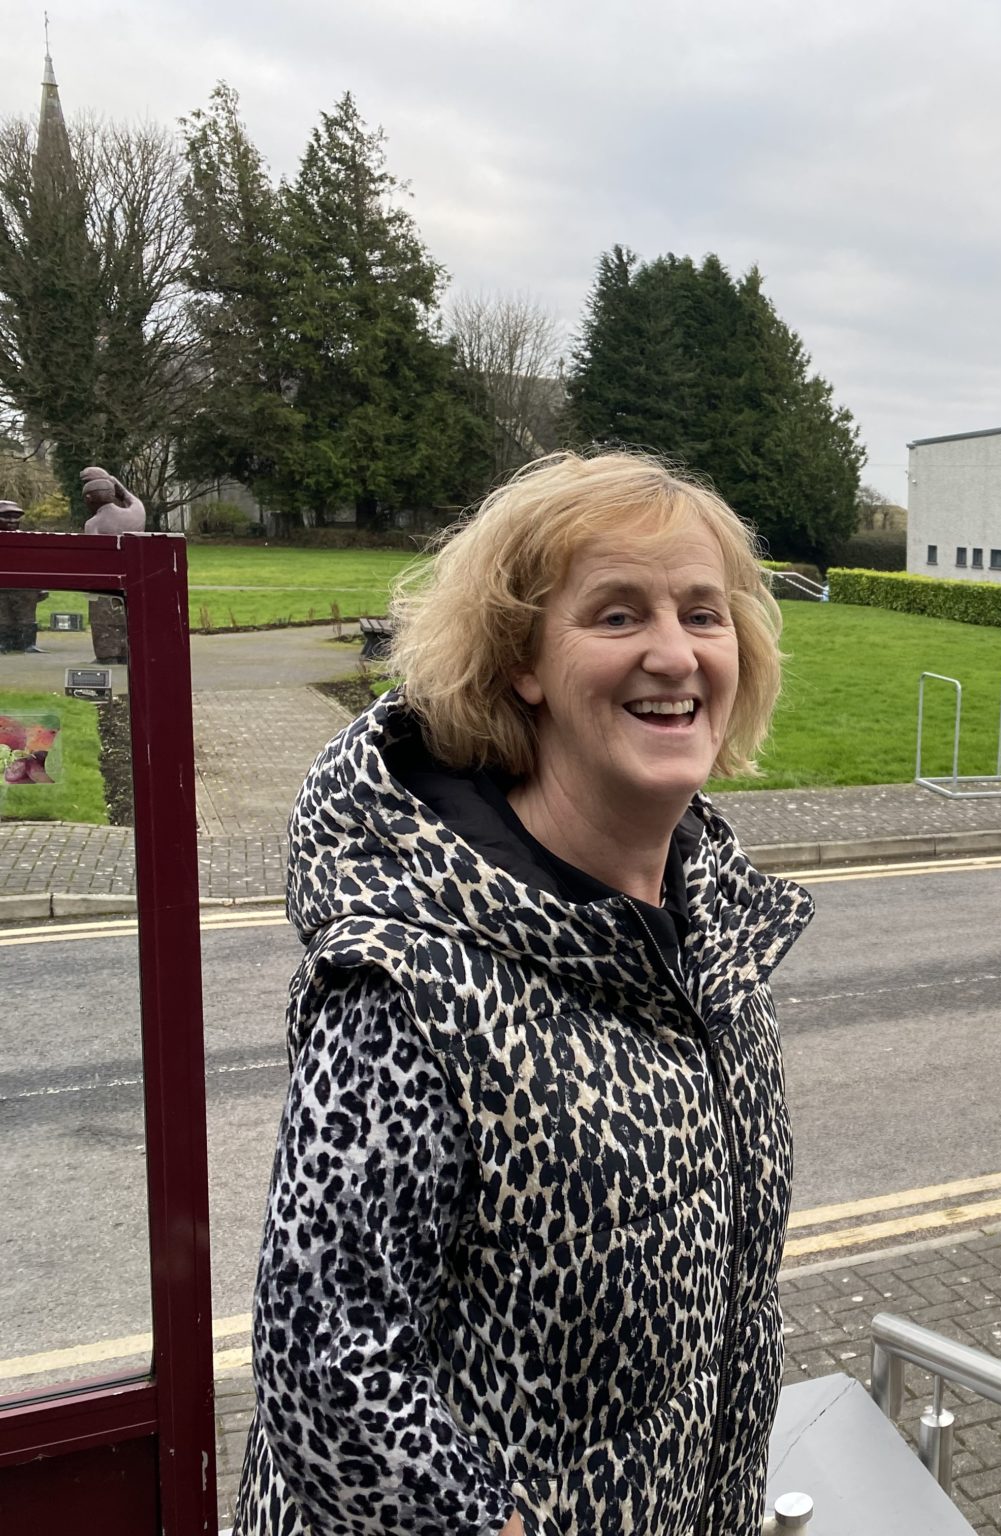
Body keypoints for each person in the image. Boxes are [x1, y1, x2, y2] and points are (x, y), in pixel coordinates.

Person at [234, 451, 814, 1535]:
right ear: (522, 664)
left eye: (704, 612)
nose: (672, 651)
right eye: (615, 614)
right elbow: (326, 1365)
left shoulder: (713, 945)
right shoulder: (413, 976)